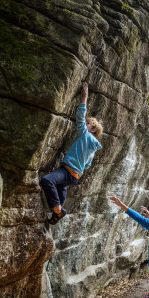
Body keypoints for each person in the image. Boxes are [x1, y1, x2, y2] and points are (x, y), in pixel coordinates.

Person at [40, 82, 103, 225]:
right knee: (61, 186)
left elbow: (80, 117)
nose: (85, 125)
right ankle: (56, 217)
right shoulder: (92, 148)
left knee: (47, 181)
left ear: (92, 129)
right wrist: (74, 154)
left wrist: (84, 97)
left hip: (69, 171)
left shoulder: (85, 135)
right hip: (75, 175)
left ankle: (57, 211)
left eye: (89, 124)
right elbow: (86, 165)